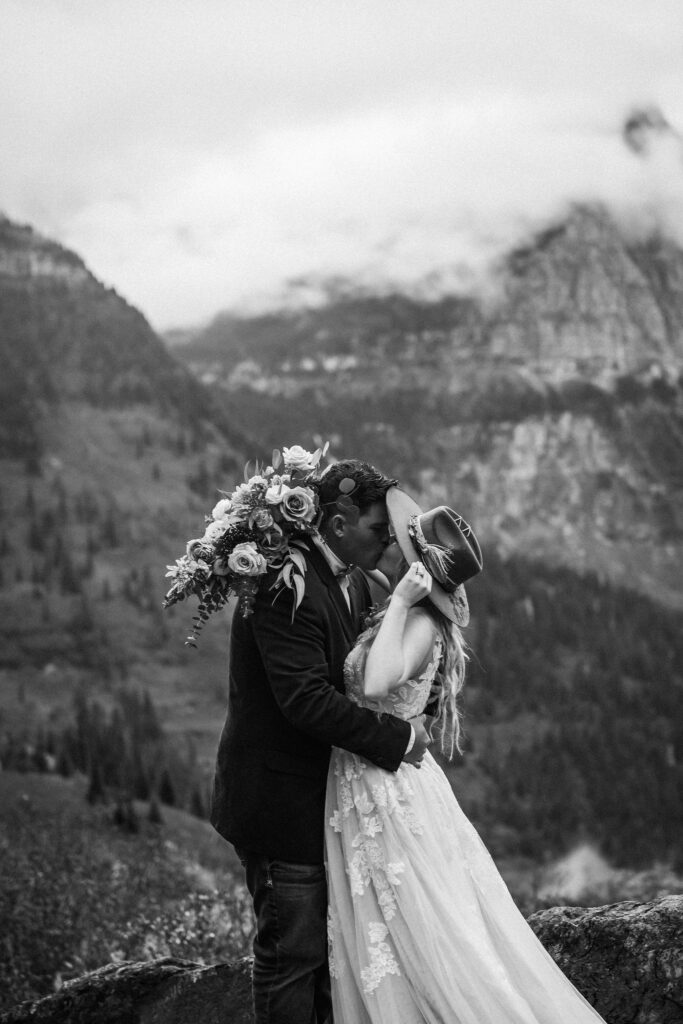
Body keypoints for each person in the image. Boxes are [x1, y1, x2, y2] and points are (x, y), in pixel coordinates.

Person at [325, 485, 608, 1023]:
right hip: (364, 780)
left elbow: (381, 679)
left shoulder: (418, 619)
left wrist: (406, 600)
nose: (385, 542)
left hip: (387, 790)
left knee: (419, 930)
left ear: (414, 568)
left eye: (396, 543)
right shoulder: (396, 605)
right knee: (383, 932)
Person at [210, 460, 432, 1024]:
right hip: (280, 805)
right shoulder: (283, 582)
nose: (387, 540)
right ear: (335, 524)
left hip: (328, 803)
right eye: (377, 530)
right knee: (294, 955)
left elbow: (356, 674)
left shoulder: (353, 576)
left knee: (335, 953)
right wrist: (398, 735)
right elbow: (306, 701)